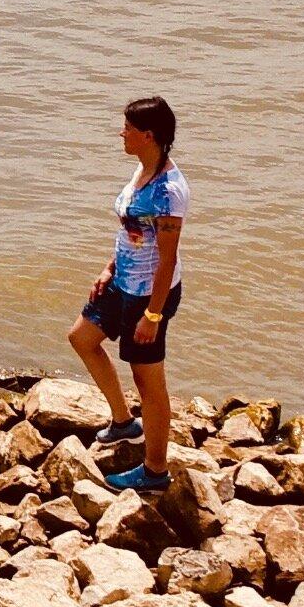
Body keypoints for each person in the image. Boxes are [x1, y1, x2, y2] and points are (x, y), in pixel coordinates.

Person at [68, 95, 185, 493]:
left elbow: (166, 259)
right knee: (82, 338)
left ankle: (155, 471)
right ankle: (123, 423)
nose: (122, 133)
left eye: (128, 129)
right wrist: (109, 268)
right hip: (121, 282)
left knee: (149, 382)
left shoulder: (169, 190)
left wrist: (152, 316)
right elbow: (133, 235)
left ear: (147, 135)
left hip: (149, 295)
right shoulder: (141, 171)